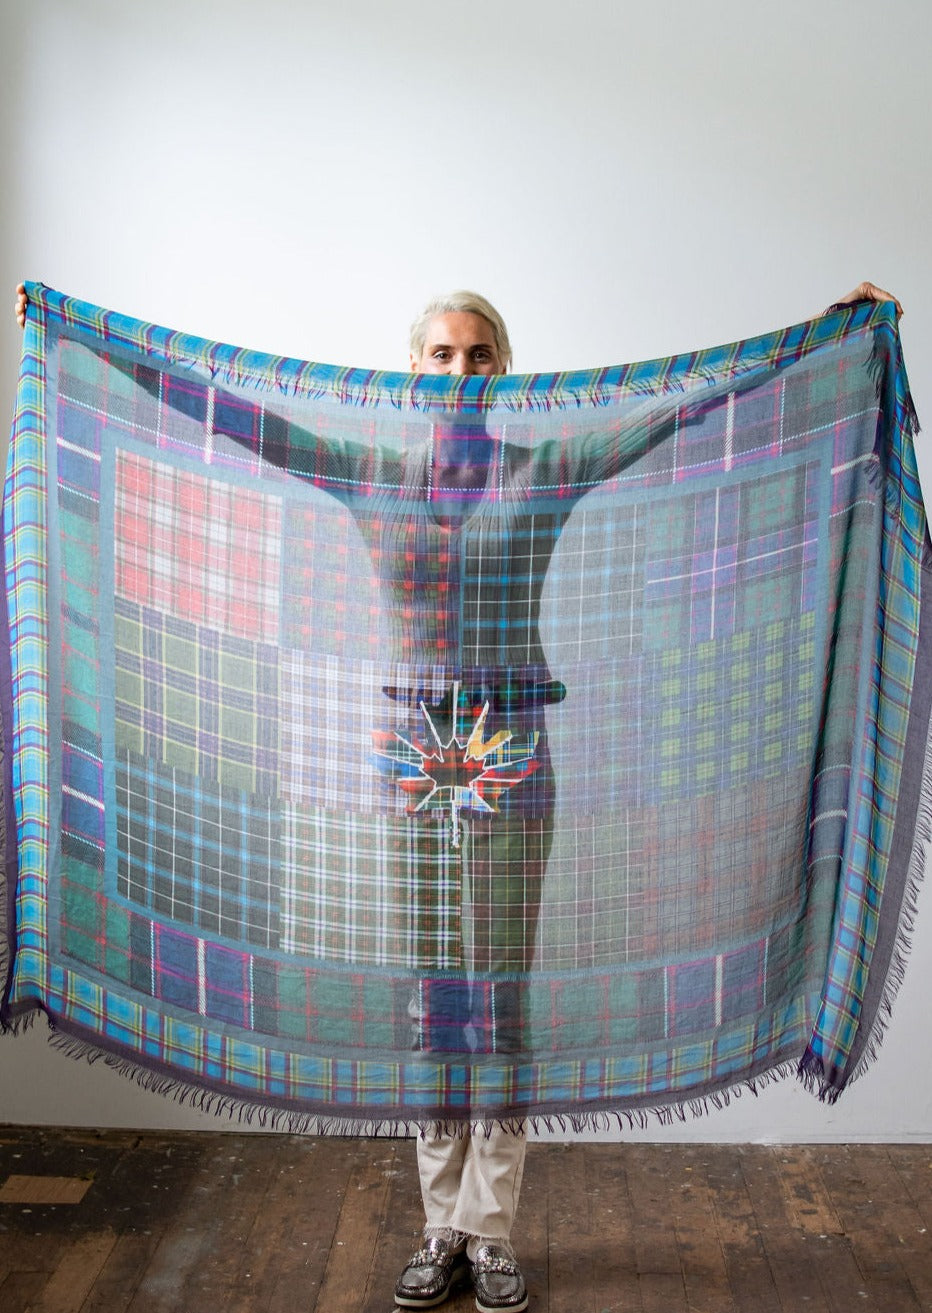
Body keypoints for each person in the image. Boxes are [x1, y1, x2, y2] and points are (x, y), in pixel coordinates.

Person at [12, 278, 904, 1313]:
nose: (460, 371)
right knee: (434, 995)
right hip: (410, 761)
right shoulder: (366, 473)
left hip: (512, 753)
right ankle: (439, 1224)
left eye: (479, 355)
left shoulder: (546, 470)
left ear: (503, 370)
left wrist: (817, 337)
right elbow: (239, 415)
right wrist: (95, 339)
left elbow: (677, 409)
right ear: (413, 370)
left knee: (501, 994)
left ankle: (492, 1229)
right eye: (441, 354)